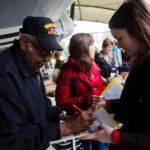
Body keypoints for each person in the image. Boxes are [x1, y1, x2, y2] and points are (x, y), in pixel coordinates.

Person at [0, 16, 96, 150]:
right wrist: (65, 128)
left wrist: (63, 116)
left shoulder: (31, 65)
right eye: (43, 51)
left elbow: (43, 106)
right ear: (23, 44)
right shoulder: (4, 74)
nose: (47, 58)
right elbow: (11, 138)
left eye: (50, 52)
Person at [80, 1, 150, 150]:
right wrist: (108, 104)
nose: (118, 46)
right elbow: (135, 105)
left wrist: (115, 137)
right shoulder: (140, 61)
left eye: (119, 38)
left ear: (137, 29)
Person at [55, 33, 105, 150]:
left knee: (100, 146)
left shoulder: (94, 66)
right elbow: (61, 102)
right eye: (92, 45)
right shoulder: (66, 71)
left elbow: (100, 89)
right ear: (84, 48)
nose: (95, 48)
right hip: (80, 122)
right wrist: (87, 100)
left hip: (98, 118)